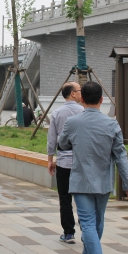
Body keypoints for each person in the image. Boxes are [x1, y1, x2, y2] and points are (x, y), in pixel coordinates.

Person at [58, 81, 128, 254]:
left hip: (81, 181)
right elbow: (121, 156)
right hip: (104, 182)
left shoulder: (73, 122)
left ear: (82, 99)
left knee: (88, 223)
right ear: (101, 100)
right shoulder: (112, 124)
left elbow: (62, 144)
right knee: (98, 221)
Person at [47, 82, 84, 244]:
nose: (82, 92)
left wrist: (50, 159)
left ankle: (68, 233)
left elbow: (52, 138)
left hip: (64, 162)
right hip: (82, 162)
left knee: (65, 198)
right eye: (80, 90)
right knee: (83, 197)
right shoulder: (84, 112)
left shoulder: (57, 113)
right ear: (73, 94)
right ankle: (86, 229)